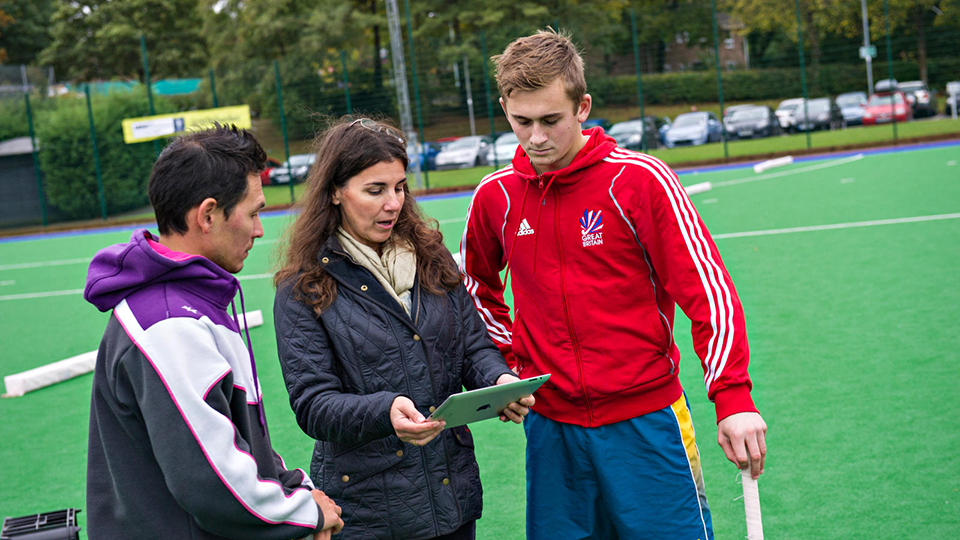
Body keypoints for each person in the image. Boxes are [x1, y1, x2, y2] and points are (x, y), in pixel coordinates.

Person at [459, 29, 768, 540]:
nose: (536, 137)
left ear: (582, 107)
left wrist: (733, 398)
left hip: (647, 421)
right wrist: (508, 367)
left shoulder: (640, 180)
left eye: (551, 120)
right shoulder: (495, 197)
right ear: (504, 109)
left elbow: (708, 292)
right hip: (552, 431)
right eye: (522, 121)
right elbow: (475, 293)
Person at [272, 117, 533, 540]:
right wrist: (385, 410)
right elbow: (313, 403)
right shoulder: (303, 287)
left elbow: (472, 346)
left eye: (399, 187)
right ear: (336, 192)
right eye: (375, 190)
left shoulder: (433, 258)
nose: (392, 203)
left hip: (452, 499)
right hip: (368, 512)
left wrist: (497, 381)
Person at [83, 124, 343, 540]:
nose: (260, 230)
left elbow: (236, 441)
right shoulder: (170, 325)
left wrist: (296, 488)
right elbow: (211, 482)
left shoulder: (194, 304)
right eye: (254, 212)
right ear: (207, 215)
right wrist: (304, 514)